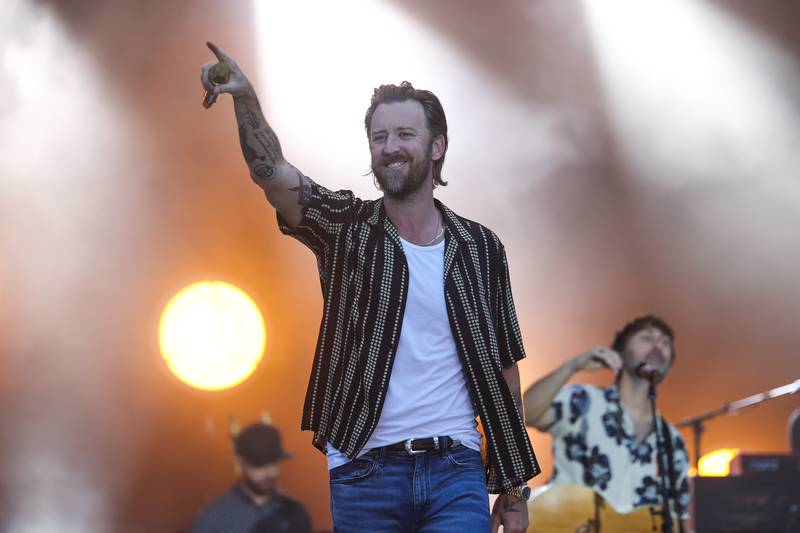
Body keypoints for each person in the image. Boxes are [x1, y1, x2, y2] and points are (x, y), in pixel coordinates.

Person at [200, 42, 539, 532]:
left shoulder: (481, 247)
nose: (390, 146)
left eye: (404, 133)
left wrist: (513, 488)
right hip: (365, 470)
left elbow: (506, 368)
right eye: (379, 137)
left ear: (437, 146)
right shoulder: (347, 228)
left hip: (455, 469)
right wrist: (245, 98)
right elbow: (272, 175)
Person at [523, 315, 690, 528]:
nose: (658, 345)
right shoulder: (584, 401)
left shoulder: (673, 442)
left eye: (665, 343)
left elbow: (681, 519)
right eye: (647, 338)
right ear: (619, 352)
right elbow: (526, 413)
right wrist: (572, 366)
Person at [191, 421, 311, 533]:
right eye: (260, 463)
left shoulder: (296, 512)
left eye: (273, 462)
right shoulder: (213, 519)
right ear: (239, 461)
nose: (270, 472)